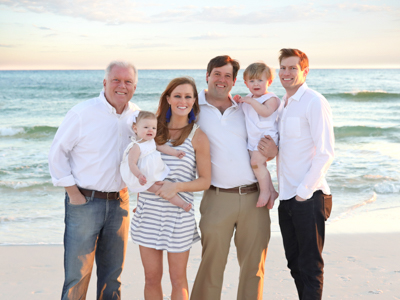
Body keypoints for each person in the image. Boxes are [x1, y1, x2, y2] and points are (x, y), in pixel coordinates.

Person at [48, 61, 139, 300]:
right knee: (77, 276)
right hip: (84, 202)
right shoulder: (82, 113)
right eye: (116, 80)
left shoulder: (136, 116)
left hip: (120, 202)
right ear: (105, 83)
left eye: (128, 81)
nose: (122, 86)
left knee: (112, 277)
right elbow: (57, 153)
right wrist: (73, 193)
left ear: (135, 86)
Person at [190, 55, 278, 300]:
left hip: (254, 198)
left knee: (254, 269)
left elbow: (270, 135)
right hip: (217, 198)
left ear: (235, 80)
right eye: (217, 74)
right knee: (211, 266)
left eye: (228, 75)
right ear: (207, 76)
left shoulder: (245, 107)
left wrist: (274, 151)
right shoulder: (193, 107)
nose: (222, 79)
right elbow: (168, 134)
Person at [130, 77, 211, 300]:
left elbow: (205, 181)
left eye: (188, 96)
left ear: (194, 101)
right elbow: (135, 163)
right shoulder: (151, 129)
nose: (182, 101)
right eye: (177, 95)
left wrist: (176, 187)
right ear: (168, 98)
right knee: (151, 278)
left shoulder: (198, 135)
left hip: (178, 217)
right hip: (148, 215)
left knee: (178, 279)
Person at [277, 48, 334, 300]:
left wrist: (303, 193)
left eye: (293, 68)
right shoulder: (282, 104)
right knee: (295, 265)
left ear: (304, 71)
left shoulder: (314, 101)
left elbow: (326, 152)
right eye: (283, 68)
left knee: (310, 267)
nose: (286, 73)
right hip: (287, 198)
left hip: (308, 197)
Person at [120, 110, 192, 212]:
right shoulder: (136, 146)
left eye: (153, 128)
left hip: (153, 172)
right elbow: (132, 164)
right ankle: (183, 204)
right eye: (146, 127)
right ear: (135, 129)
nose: (150, 130)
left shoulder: (152, 141)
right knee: (160, 189)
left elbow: (162, 147)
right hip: (143, 176)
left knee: (149, 189)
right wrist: (139, 175)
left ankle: (138, 207)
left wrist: (175, 153)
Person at [233, 62, 283, 208]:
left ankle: (265, 191)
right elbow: (243, 113)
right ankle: (272, 191)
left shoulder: (271, 99)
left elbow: (265, 111)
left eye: (260, 80)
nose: (256, 84)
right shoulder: (249, 98)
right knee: (257, 165)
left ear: (269, 82)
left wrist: (249, 101)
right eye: (252, 81)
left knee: (256, 163)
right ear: (246, 83)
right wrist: (238, 102)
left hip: (266, 138)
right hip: (253, 139)